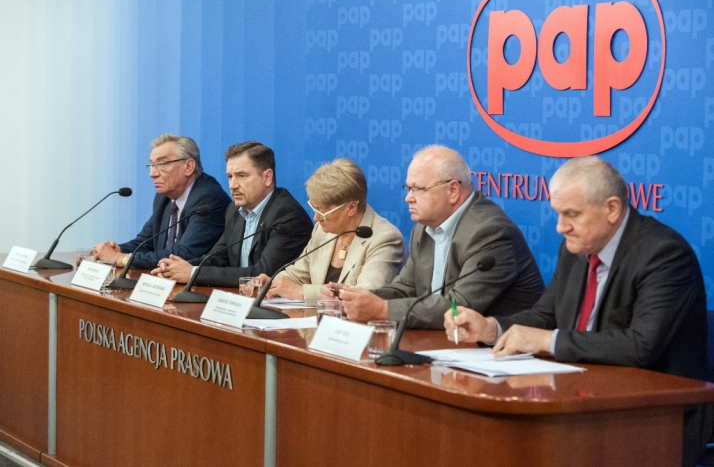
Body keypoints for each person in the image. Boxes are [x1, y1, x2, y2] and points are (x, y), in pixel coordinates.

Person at [444, 156, 711, 467]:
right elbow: (546, 316)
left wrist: (547, 341)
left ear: (612, 209)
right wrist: (492, 328)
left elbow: (642, 346)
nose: (560, 227)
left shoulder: (663, 254)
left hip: (655, 419)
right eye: (558, 214)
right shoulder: (576, 247)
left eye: (571, 214)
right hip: (580, 399)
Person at [324, 145, 544, 328]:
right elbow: (405, 288)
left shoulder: (490, 233)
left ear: (453, 190)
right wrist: (353, 298)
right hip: (448, 344)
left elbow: (459, 307)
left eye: (418, 189)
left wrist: (382, 309)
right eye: (408, 188)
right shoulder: (424, 228)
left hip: (502, 352)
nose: (408, 198)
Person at [151, 141, 313, 286]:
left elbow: (262, 273)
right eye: (230, 177)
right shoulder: (235, 210)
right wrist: (177, 268)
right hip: (240, 300)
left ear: (267, 177)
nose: (233, 185)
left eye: (242, 176)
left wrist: (193, 273)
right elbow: (218, 257)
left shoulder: (287, 215)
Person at [257, 158, 405, 306]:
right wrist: (271, 283)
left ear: (351, 208)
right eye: (314, 209)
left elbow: (364, 295)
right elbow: (297, 274)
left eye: (322, 212)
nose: (316, 218)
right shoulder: (323, 231)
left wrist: (302, 292)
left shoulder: (385, 238)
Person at [91, 134, 230, 269]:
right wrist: (112, 251)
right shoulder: (164, 197)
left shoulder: (208, 199)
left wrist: (121, 258)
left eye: (162, 164)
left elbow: (184, 254)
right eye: (152, 165)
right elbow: (145, 242)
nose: (152, 173)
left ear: (188, 166)